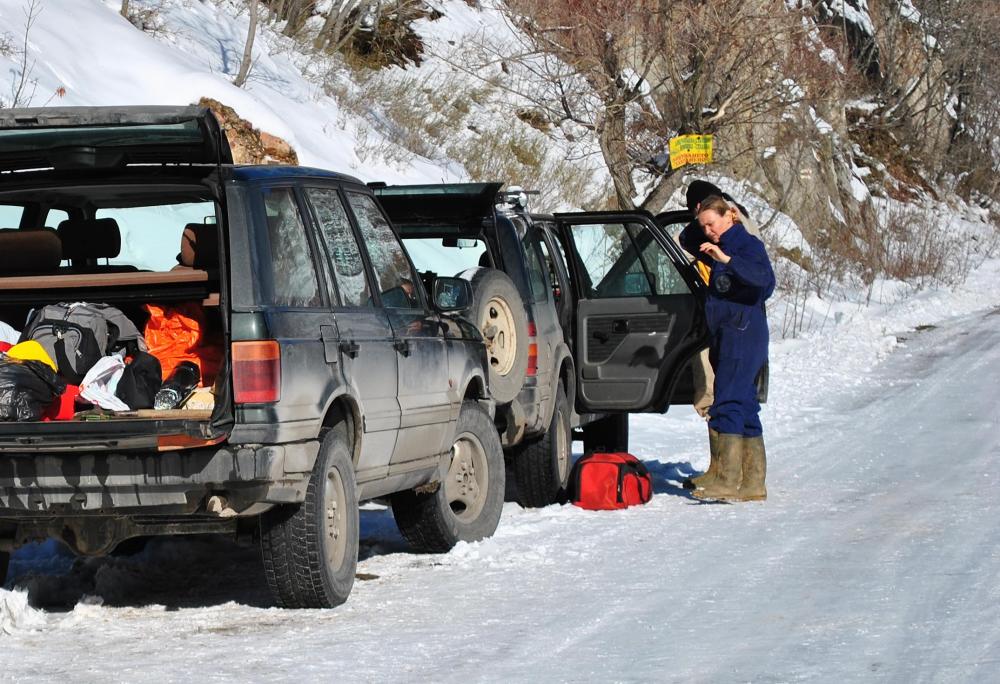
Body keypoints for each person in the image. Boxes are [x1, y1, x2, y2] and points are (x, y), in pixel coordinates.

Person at [682, 195, 774, 501]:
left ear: (730, 215)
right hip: (727, 333)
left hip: (743, 333)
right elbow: (686, 238)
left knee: (728, 401)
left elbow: (765, 281)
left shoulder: (747, 246)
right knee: (745, 403)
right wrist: (698, 215)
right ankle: (752, 484)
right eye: (704, 225)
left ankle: (728, 478)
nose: (708, 231)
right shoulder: (712, 243)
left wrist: (727, 261)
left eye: (712, 223)